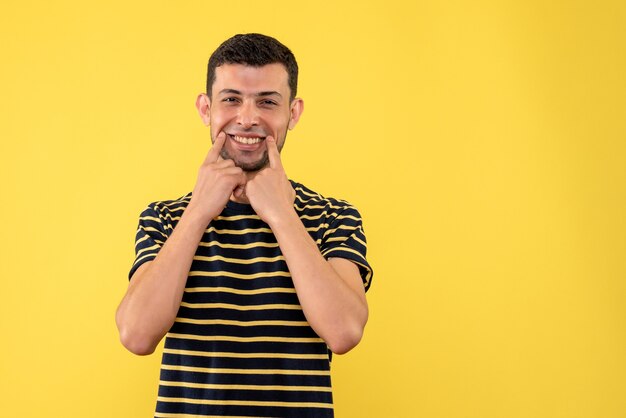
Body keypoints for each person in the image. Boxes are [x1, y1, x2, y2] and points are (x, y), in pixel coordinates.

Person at [115, 33, 373, 418]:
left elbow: (345, 332)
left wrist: (282, 215)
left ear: (294, 113)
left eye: (268, 102)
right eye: (231, 99)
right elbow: (136, 335)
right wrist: (199, 210)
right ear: (206, 108)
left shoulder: (333, 217)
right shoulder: (166, 218)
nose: (248, 118)